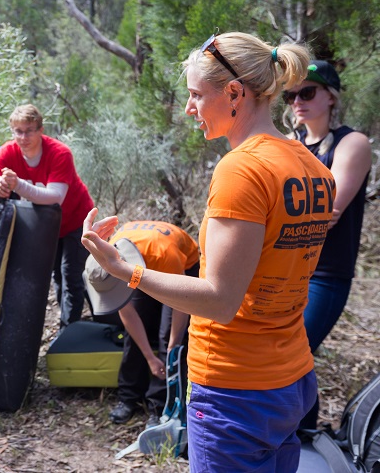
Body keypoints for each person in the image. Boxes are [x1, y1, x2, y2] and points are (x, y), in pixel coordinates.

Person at [82, 32, 334, 472]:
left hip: (236, 388)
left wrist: (126, 271)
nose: (188, 108)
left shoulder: (243, 168)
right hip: (291, 379)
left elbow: (220, 299)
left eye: (197, 94)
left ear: (234, 92)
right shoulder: (313, 167)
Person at [282, 61, 372, 431]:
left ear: (330, 97)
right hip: (288, 268)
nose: (298, 101)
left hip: (326, 273)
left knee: (296, 350)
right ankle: (298, 433)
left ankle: (302, 434)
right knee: (288, 352)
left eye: (308, 92)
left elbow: (328, 210)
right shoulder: (289, 146)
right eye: (291, 95)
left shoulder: (353, 143)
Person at [0, 104, 94, 329]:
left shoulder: (59, 153)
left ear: (41, 130)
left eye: (29, 130)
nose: (23, 137)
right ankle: (68, 327)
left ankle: (70, 332)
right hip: (47, 225)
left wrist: (17, 184)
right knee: (55, 275)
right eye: (18, 131)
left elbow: (55, 197)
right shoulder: (8, 152)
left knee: (71, 276)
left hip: (75, 220)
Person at [86, 220, 198, 428]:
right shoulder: (108, 260)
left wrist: (173, 344)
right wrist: (149, 357)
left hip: (180, 268)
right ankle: (129, 398)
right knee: (136, 335)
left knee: (169, 340)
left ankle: (159, 407)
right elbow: (128, 315)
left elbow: (181, 304)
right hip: (138, 265)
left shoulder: (164, 255)